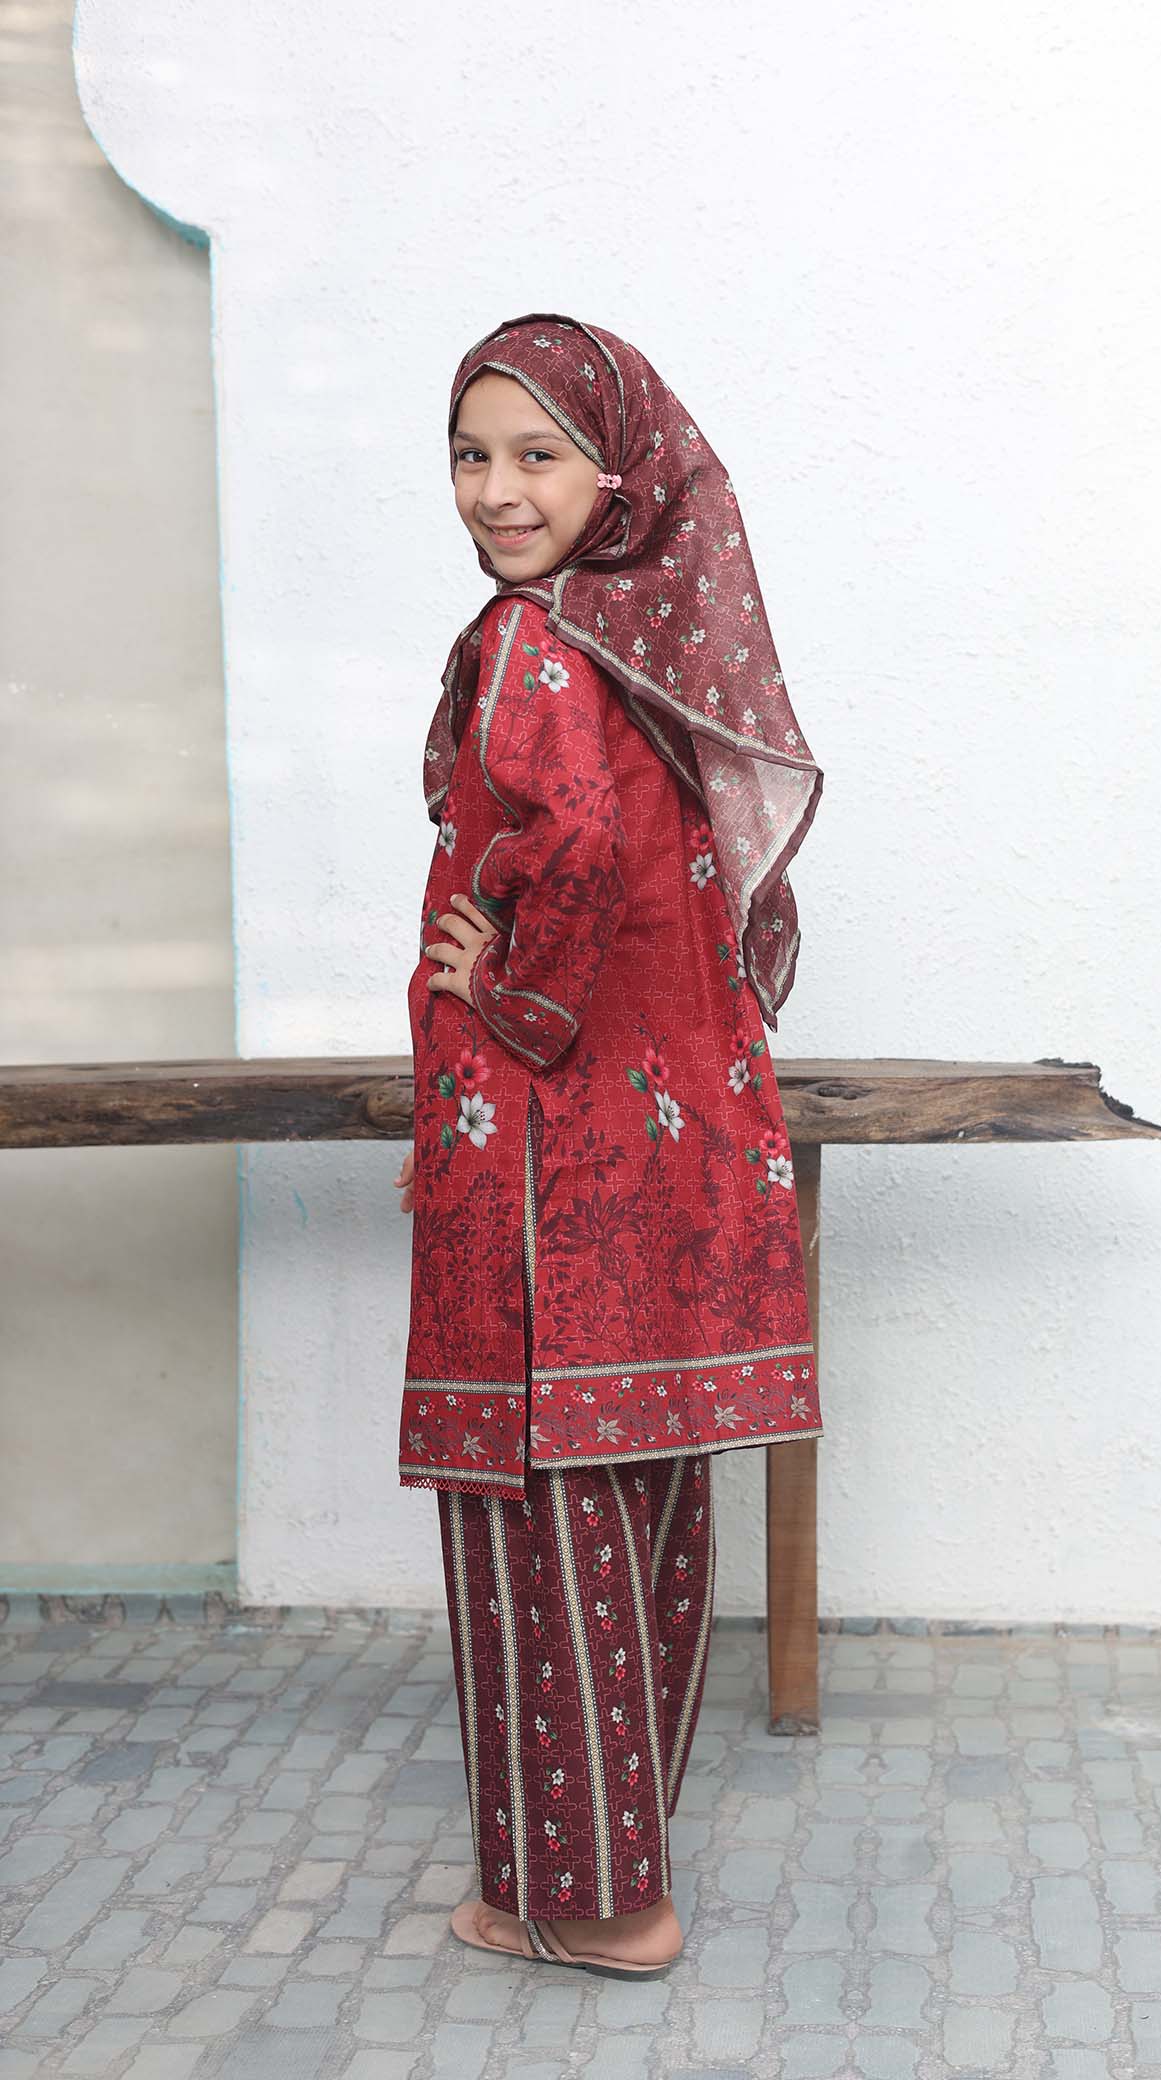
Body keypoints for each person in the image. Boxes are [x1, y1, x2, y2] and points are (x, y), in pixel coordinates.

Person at [392, 313, 824, 1979]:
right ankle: (606, 1872)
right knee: (637, 1500)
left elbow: (563, 850)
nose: (496, 493)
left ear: (617, 467)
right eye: (469, 454)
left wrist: (510, 992)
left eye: (536, 455)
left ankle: (584, 1904)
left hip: (540, 1169)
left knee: (533, 1502)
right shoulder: (647, 639)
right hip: (659, 1160)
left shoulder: (531, 645)